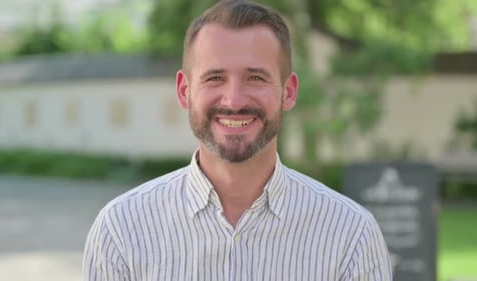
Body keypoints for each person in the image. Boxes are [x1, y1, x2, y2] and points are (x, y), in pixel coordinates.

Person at [83, 0, 392, 280]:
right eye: (215, 78)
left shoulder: (350, 236)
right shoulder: (122, 230)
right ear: (184, 90)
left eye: (255, 78)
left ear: (289, 91)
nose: (233, 100)